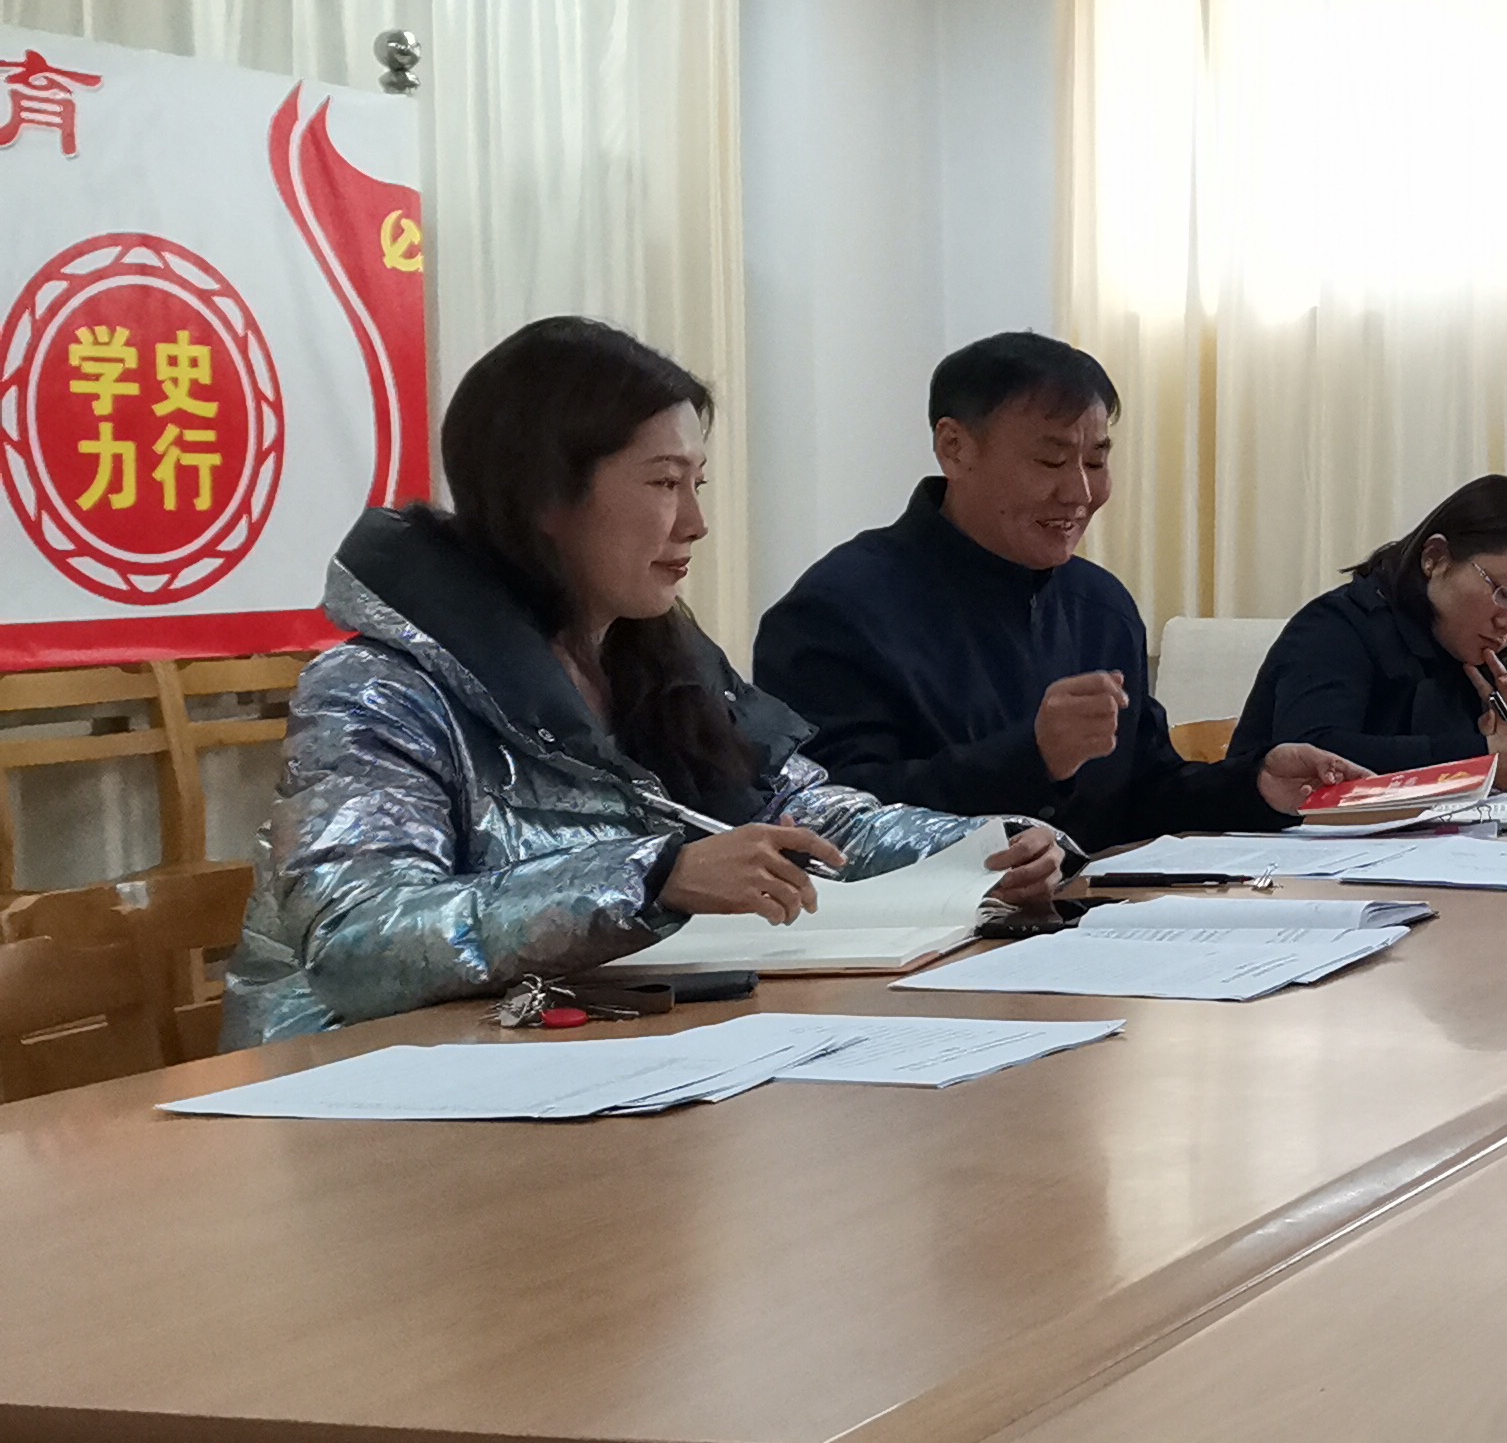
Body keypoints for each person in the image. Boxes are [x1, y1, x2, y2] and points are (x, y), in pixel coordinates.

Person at [226, 318, 1060, 1045]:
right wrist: (653, 878)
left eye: (698, 483)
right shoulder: (376, 688)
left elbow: (801, 814)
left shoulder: (657, 654)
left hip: (579, 1059)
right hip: (357, 1090)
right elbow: (356, 943)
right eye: (664, 483)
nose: (695, 522)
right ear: (544, 496)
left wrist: (982, 845)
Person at [753, 334, 1358, 849]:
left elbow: (1146, 793)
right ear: (954, 448)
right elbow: (831, 820)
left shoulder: (1100, 606)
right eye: (1050, 462)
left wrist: (1255, 786)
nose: (1079, 494)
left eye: (1095, 462)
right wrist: (1032, 756)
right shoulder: (835, 611)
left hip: (1097, 924)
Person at [1229, 475, 1507, 792]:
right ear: (1436, 558)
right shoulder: (1337, 626)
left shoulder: (1462, 644)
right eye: (1505, 593)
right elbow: (1316, 753)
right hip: (1277, 841)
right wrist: (1479, 757)